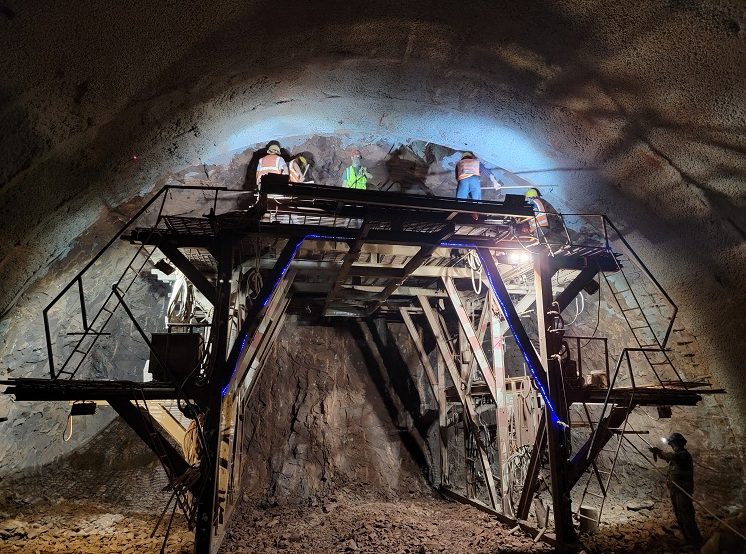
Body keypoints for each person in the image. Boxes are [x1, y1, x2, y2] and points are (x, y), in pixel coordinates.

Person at [649, 433, 703, 547]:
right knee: (680, 515)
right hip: (675, 490)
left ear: (679, 443)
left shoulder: (684, 455)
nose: (672, 446)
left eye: (673, 444)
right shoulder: (677, 456)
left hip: (683, 491)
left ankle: (697, 542)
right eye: (671, 444)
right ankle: (688, 539)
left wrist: (659, 451)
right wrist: (658, 453)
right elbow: (667, 457)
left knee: (686, 515)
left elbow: (671, 457)